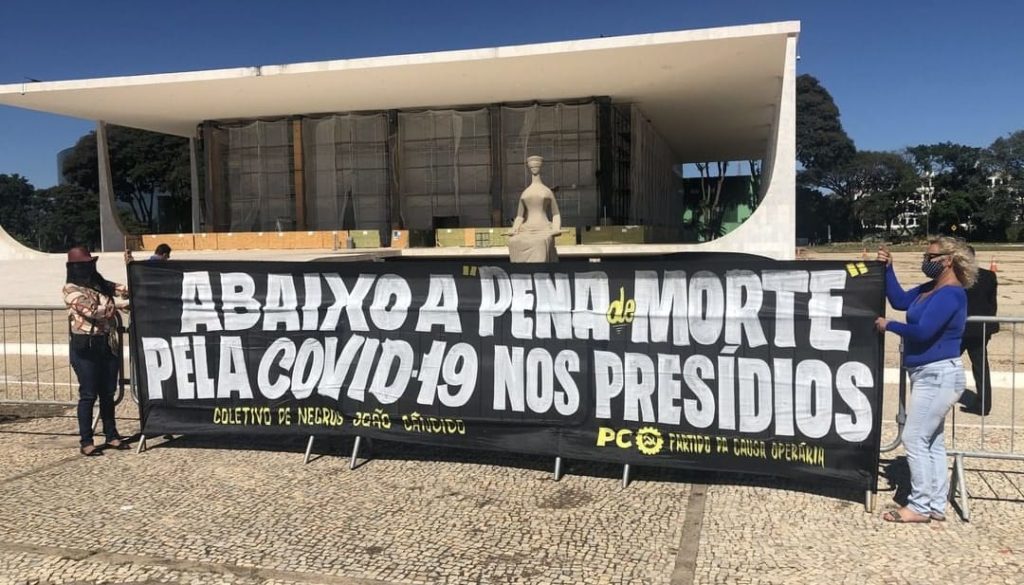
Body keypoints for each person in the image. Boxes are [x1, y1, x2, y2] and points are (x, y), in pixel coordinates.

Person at [876, 236, 976, 523]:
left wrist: (889, 325)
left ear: (948, 260)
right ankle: (934, 503)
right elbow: (898, 299)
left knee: (914, 436)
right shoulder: (931, 289)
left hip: (939, 374)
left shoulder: (951, 294)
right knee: (931, 440)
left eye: (930, 256)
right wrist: (888, 268)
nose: (925, 261)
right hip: (928, 374)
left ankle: (919, 505)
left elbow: (923, 332)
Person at [63, 247, 131, 456]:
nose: (89, 268)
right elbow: (92, 310)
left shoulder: (100, 284)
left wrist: (131, 267)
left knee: (108, 392)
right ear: (75, 268)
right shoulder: (70, 289)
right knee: (88, 393)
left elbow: (124, 289)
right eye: (84, 265)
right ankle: (86, 440)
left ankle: (111, 434)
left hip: (106, 343)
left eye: (90, 264)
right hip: (86, 346)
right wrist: (119, 306)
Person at [959, 245, 997, 415]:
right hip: (981, 328)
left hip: (960, 329)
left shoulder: (958, 278)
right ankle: (984, 404)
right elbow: (992, 305)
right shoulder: (989, 276)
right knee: (981, 367)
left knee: (944, 363)